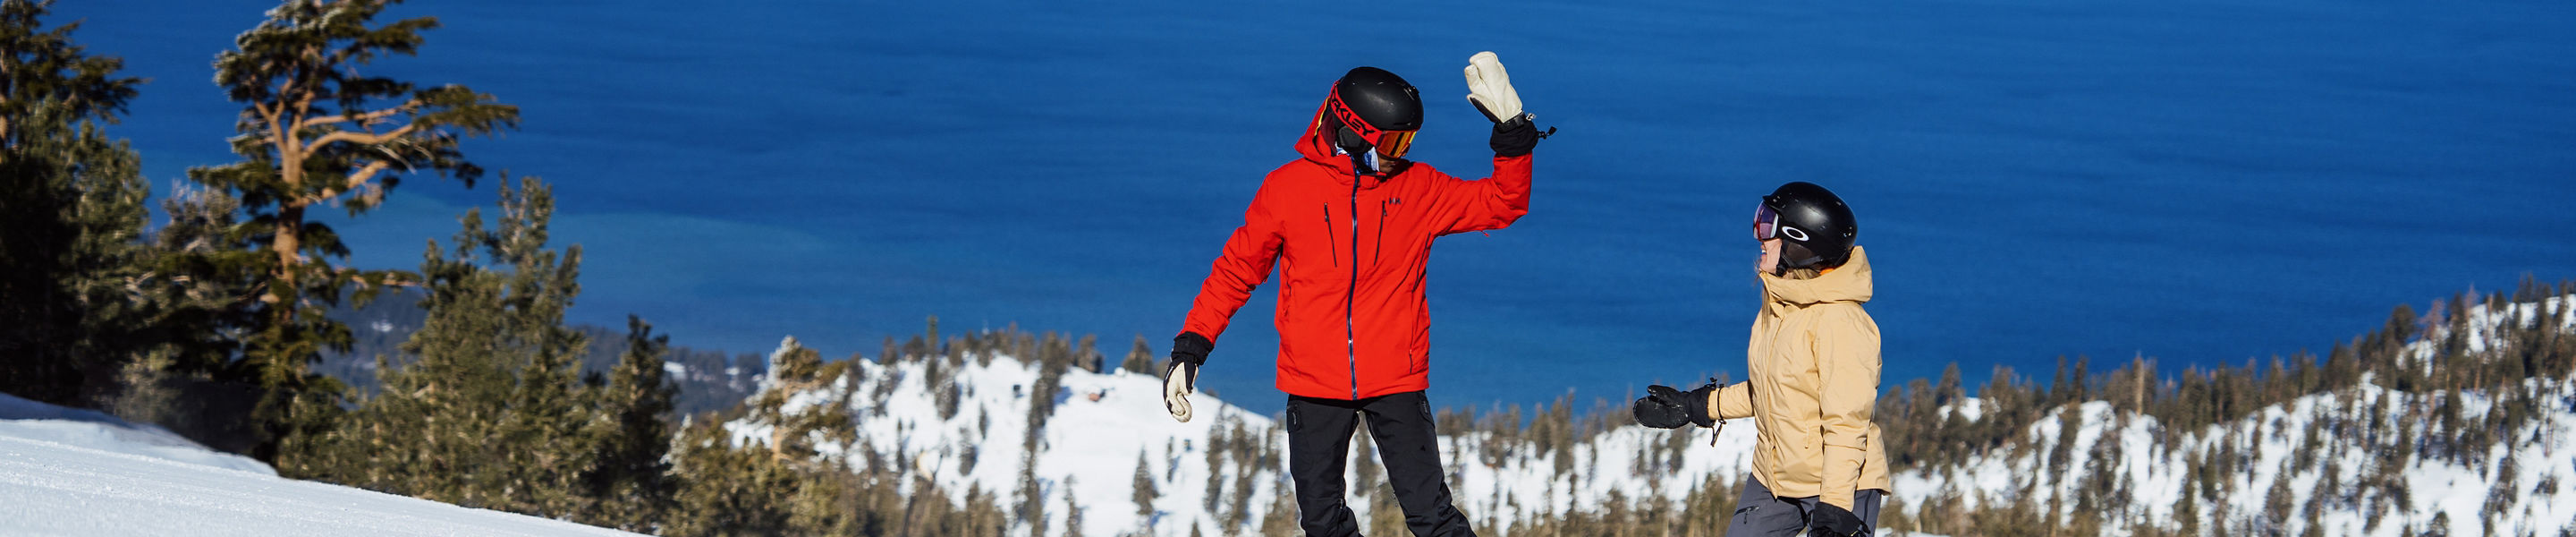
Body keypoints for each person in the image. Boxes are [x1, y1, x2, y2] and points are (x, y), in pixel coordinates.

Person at [1159, 52, 1546, 537]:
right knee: (1322, 522)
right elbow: (1237, 271)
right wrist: (1193, 345)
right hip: (1314, 381)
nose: (1400, 153)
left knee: (1432, 516)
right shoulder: (1287, 190)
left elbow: (1502, 203)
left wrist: (1513, 137)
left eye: (1407, 141)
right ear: (1351, 131)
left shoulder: (1419, 188)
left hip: (1396, 377)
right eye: (1392, 141)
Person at [1631, 182, 1889, 537]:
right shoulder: (1782, 305)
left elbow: (1846, 426)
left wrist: (1834, 512)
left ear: (1799, 245)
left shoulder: (1840, 324)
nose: (1759, 235)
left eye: (1768, 226)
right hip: (1775, 475)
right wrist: (1699, 406)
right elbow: (1772, 388)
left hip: (1840, 485)